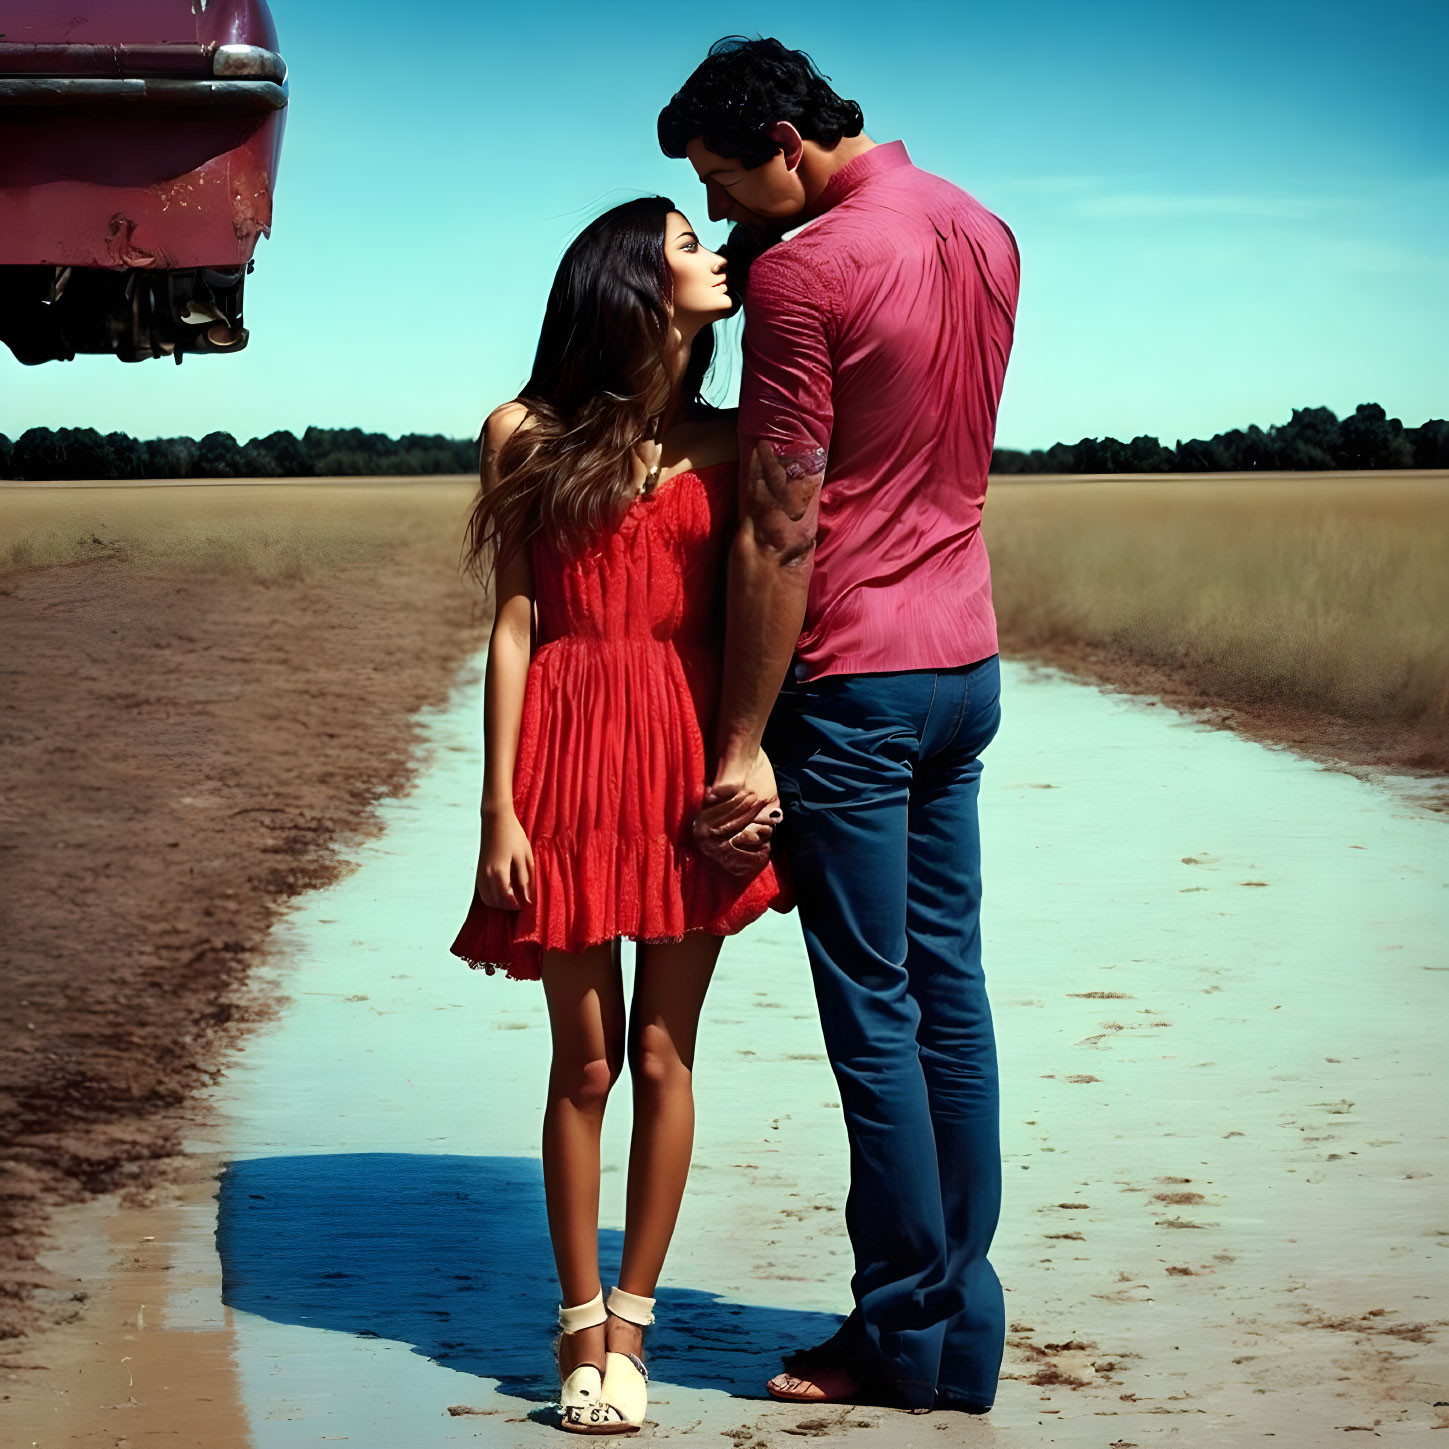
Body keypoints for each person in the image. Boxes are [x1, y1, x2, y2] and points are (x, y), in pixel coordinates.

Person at [658, 36, 1021, 1416]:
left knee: (872, 1016)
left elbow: (778, 517)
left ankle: (900, 1335)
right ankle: (953, 1330)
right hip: (964, 662)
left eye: (724, 181)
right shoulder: (981, 227)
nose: (730, 212)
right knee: (952, 1002)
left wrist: (742, 737)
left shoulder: (809, 269)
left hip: (857, 683)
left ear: (787, 143)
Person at [449, 197, 792, 1434]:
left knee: (662, 1055)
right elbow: (513, 623)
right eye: (690, 244)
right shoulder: (522, 431)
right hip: (568, 753)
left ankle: (636, 1323)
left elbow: (773, 600)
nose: (715, 258)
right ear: (628, 283)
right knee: (585, 1061)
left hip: (687, 758)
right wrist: (499, 810)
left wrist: (758, 766)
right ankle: (577, 1325)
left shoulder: (731, 437)